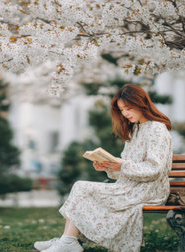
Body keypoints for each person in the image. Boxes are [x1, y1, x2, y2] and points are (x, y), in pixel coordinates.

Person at [34, 84, 173, 252]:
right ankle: (67, 239)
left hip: (149, 190)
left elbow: (154, 169)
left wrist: (122, 165)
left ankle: (68, 241)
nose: (125, 114)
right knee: (82, 188)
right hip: (132, 186)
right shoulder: (135, 129)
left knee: (81, 187)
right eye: (122, 110)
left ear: (141, 104)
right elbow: (126, 168)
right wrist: (108, 166)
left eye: (128, 108)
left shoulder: (156, 129)